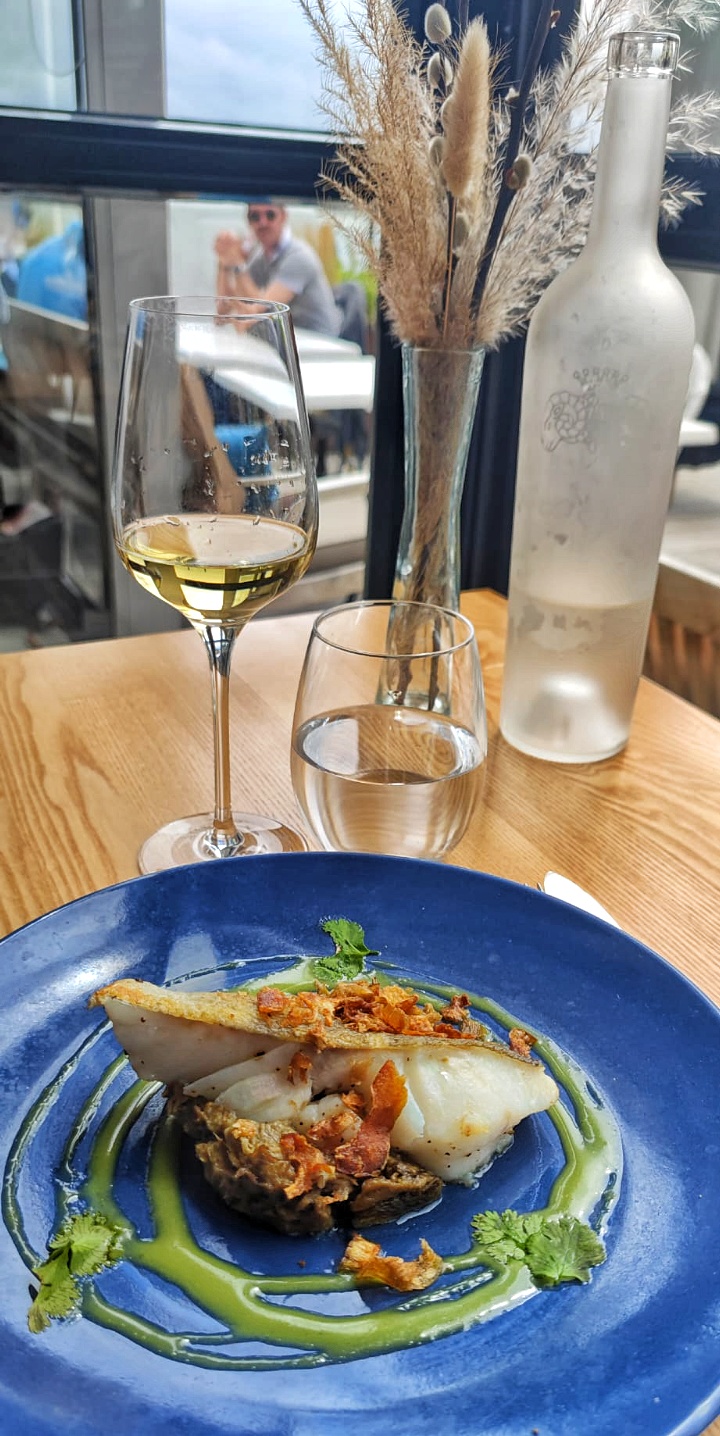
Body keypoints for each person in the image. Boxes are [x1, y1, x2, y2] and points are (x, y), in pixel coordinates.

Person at [214, 201, 342, 337]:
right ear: (248, 222)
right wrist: (225, 263)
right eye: (255, 217)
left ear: (283, 217)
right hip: (290, 337)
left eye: (270, 215)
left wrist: (238, 265)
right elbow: (225, 309)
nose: (263, 223)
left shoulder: (299, 257)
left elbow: (261, 311)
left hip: (318, 340)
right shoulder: (260, 257)